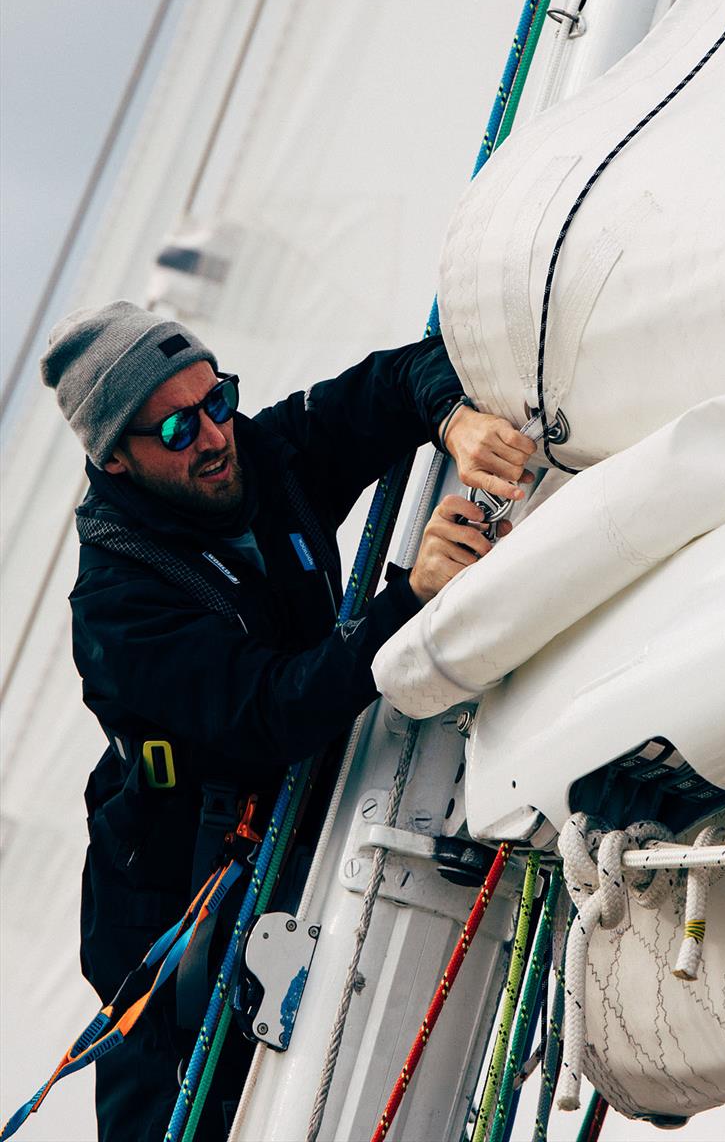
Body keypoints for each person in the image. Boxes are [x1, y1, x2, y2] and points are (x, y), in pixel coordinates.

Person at [40, 300, 536, 1141]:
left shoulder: (259, 454)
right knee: (193, 1106)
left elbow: (384, 386)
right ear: (116, 460)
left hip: (295, 822)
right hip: (172, 902)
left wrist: (451, 420)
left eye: (217, 400)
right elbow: (272, 712)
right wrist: (407, 599)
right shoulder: (116, 606)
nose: (211, 436)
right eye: (175, 428)